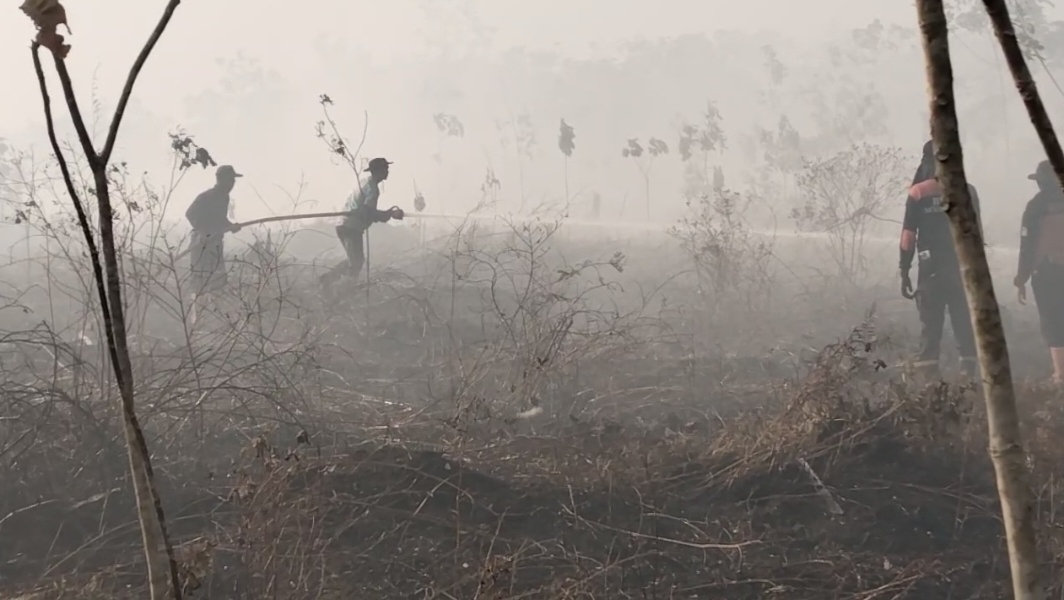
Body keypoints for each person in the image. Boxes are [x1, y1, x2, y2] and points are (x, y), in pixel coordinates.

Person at [899, 140, 984, 380]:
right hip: (962, 268)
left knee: (930, 326)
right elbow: (976, 233)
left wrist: (904, 269)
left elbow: (908, 236)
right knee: (964, 322)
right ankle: (969, 378)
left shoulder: (918, 193)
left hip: (930, 270)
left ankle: (930, 385)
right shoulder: (968, 190)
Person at [320, 157, 404, 293]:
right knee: (357, 261)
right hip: (351, 227)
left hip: (344, 224)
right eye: (385, 169)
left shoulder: (365, 182)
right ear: (378, 171)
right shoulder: (372, 188)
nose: (387, 171)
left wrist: (386, 214)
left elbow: (366, 211)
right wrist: (388, 215)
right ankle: (344, 287)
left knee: (355, 260)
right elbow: (367, 212)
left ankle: (330, 280)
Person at [1015, 159, 1064, 384]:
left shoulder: (1034, 207)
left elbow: (1027, 246)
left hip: (1047, 273)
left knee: (1052, 320)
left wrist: (1021, 278)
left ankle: (1060, 374)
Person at [185, 165, 242, 325]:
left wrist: (230, 226)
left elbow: (219, 219)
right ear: (221, 180)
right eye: (230, 180)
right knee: (200, 281)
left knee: (217, 280)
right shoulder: (206, 197)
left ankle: (220, 321)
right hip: (201, 243)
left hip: (215, 243)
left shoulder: (224, 198)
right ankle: (197, 322)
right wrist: (204, 231)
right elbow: (190, 214)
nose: (232, 184)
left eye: (233, 181)